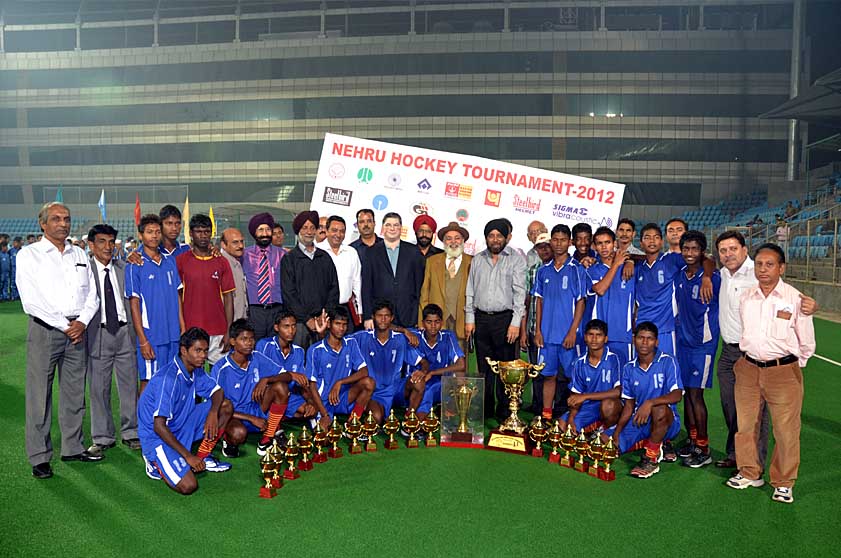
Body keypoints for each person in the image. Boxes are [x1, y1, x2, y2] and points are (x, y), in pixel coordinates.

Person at [714, 230, 817, 469]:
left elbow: (801, 319)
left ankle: (759, 466)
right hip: (732, 353)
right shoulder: (724, 275)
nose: (728, 254)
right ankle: (741, 460)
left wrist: (792, 364)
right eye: (723, 251)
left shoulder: (760, 276)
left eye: (733, 249)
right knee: (736, 411)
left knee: (766, 421)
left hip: (765, 359)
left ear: (744, 250)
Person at [16, 202, 102, 478]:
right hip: (46, 331)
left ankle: (73, 447)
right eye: (56, 219)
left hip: (77, 330)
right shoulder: (29, 255)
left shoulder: (79, 253)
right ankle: (40, 456)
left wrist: (82, 322)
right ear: (43, 224)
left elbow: (92, 295)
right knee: (39, 396)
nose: (63, 223)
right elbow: (31, 301)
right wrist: (66, 326)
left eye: (66, 218)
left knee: (74, 393)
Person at [137, 328, 233, 493]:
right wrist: (188, 456)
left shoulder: (196, 369)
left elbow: (217, 391)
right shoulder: (168, 379)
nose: (203, 356)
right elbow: (158, 426)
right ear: (183, 351)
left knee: (225, 406)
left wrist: (212, 413)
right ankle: (154, 462)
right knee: (188, 485)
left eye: (205, 351)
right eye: (198, 350)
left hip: (181, 424)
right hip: (157, 438)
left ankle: (203, 456)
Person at [209, 320, 310, 458]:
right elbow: (216, 407)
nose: (249, 343)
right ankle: (228, 439)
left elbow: (287, 375)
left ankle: (267, 438)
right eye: (244, 339)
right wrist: (251, 419)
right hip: (234, 415)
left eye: (251, 339)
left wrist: (267, 379)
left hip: (257, 408)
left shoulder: (256, 357)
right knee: (238, 434)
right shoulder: (221, 369)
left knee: (280, 386)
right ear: (232, 341)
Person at [86, 223, 140, 456]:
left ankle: (132, 432)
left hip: (125, 332)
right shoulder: (84, 271)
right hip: (98, 333)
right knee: (99, 388)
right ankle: (102, 437)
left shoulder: (125, 268)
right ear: (91, 245)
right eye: (101, 242)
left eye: (111, 242)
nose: (107, 247)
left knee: (129, 386)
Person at [464, 218, 526, 421]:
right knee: (484, 366)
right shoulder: (477, 259)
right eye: (491, 236)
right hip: (481, 319)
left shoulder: (516, 260)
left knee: (505, 367)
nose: (495, 239)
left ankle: (505, 410)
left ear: (506, 238)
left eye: (499, 235)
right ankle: (486, 407)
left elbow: (520, 294)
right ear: (486, 238)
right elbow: (470, 291)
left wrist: (515, 323)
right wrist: (470, 319)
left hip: (505, 321)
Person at [612, 321, 683, 479]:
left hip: (667, 421)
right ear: (634, 340)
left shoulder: (668, 361)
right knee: (608, 445)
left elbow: (677, 394)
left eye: (649, 338)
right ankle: (657, 442)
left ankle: (651, 459)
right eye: (641, 338)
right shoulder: (628, 368)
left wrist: (650, 403)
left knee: (659, 409)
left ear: (656, 342)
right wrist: (616, 432)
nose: (644, 342)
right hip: (640, 419)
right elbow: (628, 406)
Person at [674, 230, 720, 468]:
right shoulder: (680, 274)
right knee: (686, 393)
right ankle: (692, 440)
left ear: (702, 251)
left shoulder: (712, 278)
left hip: (703, 345)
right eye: (686, 248)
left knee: (696, 394)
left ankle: (704, 447)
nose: (689, 253)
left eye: (694, 249)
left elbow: (711, 263)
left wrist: (707, 276)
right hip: (683, 343)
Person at [533, 224, 587, 421]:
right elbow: (539, 301)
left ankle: (574, 419)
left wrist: (573, 331)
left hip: (569, 337)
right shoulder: (543, 271)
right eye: (555, 240)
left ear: (570, 242)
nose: (558, 244)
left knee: (575, 378)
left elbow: (581, 302)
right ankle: (546, 417)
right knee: (548, 376)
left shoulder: (577, 269)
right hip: (547, 336)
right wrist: (538, 330)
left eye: (563, 240)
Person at [126, 214, 184, 391]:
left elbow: (177, 296)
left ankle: (167, 411)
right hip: (152, 335)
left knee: (172, 379)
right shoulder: (135, 264)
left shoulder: (170, 261)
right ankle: (143, 412)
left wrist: (182, 327)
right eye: (149, 232)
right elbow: (134, 304)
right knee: (149, 381)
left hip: (173, 334)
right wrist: (143, 339)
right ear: (140, 235)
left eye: (157, 232)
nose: (154, 236)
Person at [354, 300, 425, 423]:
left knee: (419, 383)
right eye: (379, 316)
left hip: (396, 389)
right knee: (376, 418)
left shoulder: (400, 339)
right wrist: (322, 333)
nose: (383, 319)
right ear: (373, 317)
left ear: (392, 318)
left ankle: (409, 422)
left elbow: (424, 362)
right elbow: (339, 341)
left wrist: (422, 372)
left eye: (386, 316)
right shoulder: (362, 337)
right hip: (375, 392)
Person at [176, 214, 235, 366]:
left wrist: (228, 331)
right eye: (199, 231)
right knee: (193, 374)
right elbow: (178, 297)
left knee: (220, 375)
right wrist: (182, 327)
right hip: (191, 330)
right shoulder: (181, 261)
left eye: (207, 231)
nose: (203, 235)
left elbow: (228, 298)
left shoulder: (222, 262)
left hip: (218, 331)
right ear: (191, 233)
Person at [306, 306, 374, 427]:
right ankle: (318, 418)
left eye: (344, 324)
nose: (341, 328)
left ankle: (352, 424)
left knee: (369, 383)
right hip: (323, 402)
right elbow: (312, 386)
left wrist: (340, 382)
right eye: (337, 324)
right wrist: (324, 414)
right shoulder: (315, 350)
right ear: (329, 324)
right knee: (323, 436)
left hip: (342, 396)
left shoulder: (351, 343)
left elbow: (364, 371)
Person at [281, 210, 340, 349]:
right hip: (299, 324)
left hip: (323, 322)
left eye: (312, 228)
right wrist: (307, 319)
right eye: (305, 228)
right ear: (298, 230)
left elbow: (334, 288)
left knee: (323, 358)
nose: (309, 232)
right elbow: (289, 294)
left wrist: (324, 316)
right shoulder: (289, 259)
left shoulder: (324, 257)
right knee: (299, 359)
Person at [255, 310, 321, 431]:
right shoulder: (264, 345)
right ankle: (274, 421)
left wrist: (311, 403)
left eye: (293, 326)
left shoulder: (299, 351)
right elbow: (259, 378)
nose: (291, 331)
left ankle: (281, 415)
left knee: (309, 410)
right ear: (276, 328)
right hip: (267, 395)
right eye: (286, 326)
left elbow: (302, 384)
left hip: (290, 395)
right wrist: (290, 375)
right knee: (279, 387)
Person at [557, 319, 622, 436]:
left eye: (599, 335)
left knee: (608, 406)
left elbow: (618, 392)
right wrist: (571, 419)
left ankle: (606, 429)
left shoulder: (614, 358)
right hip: (588, 406)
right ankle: (591, 429)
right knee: (561, 426)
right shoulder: (579, 363)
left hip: (609, 403)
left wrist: (585, 396)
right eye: (591, 334)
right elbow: (576, 396)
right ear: (585, 337)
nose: (594, 339)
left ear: (605, 339)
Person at [362, 212, 425, 329]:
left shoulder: (414, 252)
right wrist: (367, 316)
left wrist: (419, 316)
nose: (392, 228)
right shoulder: (371, 253)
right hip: (380, 315)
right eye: (388, 225)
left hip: (409, 315)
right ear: (382, 228)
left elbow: (419, 286)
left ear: (401, 228)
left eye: (396, 225)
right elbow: (366, 287)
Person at [418, 221, 473, 351]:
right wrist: (422, 320)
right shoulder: (432, 261)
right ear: (443, 241)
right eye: (448, 238)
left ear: (463, 241)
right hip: (436, 322)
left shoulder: (472, 262)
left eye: (457, 238)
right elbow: (424, 293)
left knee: (460, 358)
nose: (453, 242)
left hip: (462, 321)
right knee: (436, 356)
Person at [586, 227, 635, 366]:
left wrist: (629, 261)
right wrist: (616, 264)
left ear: (614, 243)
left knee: (624, 374)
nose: (604, 247)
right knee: (600, 373)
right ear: (594, 246)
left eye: (607, 242)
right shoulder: (591, 270)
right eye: (599, 243)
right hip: (599, 336)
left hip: (623, 334)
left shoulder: (629, 269)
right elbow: (600, 289)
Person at [409, 304, 466, 420]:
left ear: (442, 322)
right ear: (423, 323)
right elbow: (388, 327)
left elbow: (461, 365)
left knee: (459, 376)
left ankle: (449, 407)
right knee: (423, 388)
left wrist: (432, 372)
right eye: (429, 322)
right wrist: (405, 331)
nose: (433, 326)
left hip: (441, 383)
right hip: (419, 383)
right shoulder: (414, 336)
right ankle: (420, 416)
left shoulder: (448, 336)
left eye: (437, 322)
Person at [521, 232, 553, 413]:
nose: (545, 250)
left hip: (555, 331)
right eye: (541, 247)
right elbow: (525, 302)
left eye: (547, 246)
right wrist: (524, 332)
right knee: (535, 370)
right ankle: (536, 405)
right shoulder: (533, 271)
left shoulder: (565, 268)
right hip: (534, 329)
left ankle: (553, 408)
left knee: (555, 373)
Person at [241, 212, 285, 339]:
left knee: (275, 345)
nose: (265, 233)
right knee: (254, 345)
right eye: (260, 230)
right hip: (255, 311)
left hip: (277, 310)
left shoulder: (282, 255)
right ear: (254, 233)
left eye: (268, 229)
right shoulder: (244, 255)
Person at [317, 215, 363, 327]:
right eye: (334, 230)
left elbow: (357, 283)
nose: (338, 234)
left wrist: (360, 311)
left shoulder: (351, 252)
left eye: (342, 231)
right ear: (327, 231)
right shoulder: (316, 251)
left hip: (346, 309)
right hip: (322, 310)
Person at [220, 228, 248, 321]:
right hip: (227, 322)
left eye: (242, 241)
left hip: (241, 321)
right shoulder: (219, 264)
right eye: (235, 242)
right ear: (223, 245)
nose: (240, 246)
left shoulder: (238, 262)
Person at [0, 236, 10, 301]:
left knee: (6, 285)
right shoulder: (0, 254)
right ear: (2, 247)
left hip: (6, 272)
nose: (6, 248)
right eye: (5, 247)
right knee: (1, 284)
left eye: (6, 247)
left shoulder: (7, 254)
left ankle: (5, 296)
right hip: (1, 273)